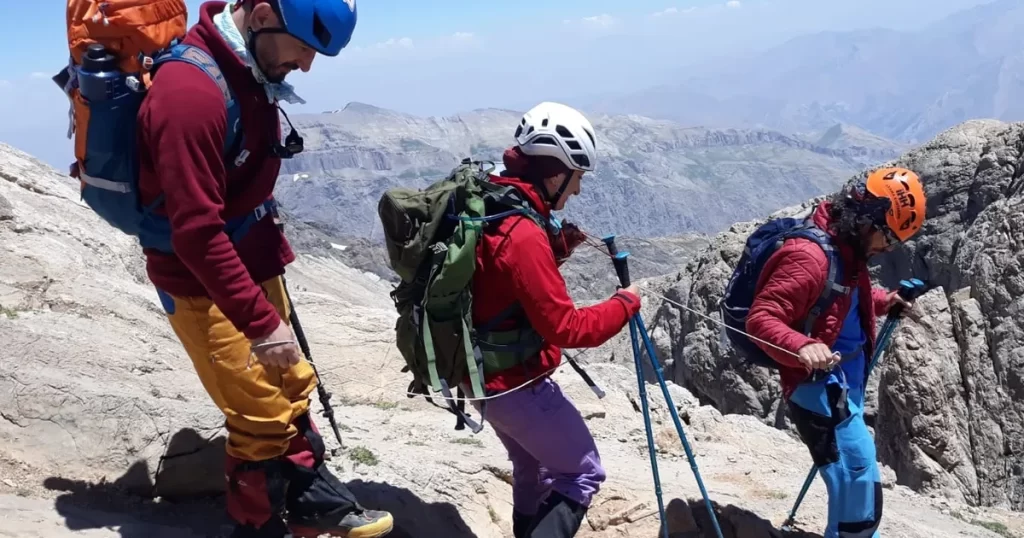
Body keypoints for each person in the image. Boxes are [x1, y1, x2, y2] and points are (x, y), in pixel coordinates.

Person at [135, 1, 393, 537]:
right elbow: (196, 233)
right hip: (200, 284)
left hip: (250, 260)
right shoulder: (190, 92)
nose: (305, 65)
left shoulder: (245, 69)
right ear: (258, 16)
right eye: (302, 47)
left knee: (291, 381)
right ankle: (256, 525)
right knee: (259, 413)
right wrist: (261, 321)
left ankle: (308, 503)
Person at [467, 101, 643, 538]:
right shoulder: (523, 232)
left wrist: (558, 248)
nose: (578, 190)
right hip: (516, 386)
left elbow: (500, 283)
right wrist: (626, 303)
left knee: (534, 470)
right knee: (581, 475)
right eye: (577, 177)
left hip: (476, 376)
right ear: (554, 173)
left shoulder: (494, 198)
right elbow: (568, 329)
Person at [745, 167, 927, 538]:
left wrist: (881, 301)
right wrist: (802, 345)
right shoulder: (810, 256)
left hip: (843, 387)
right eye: (888, 236)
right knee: (856, 489)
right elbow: (760, 319)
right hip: (818, 388)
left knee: (856, 491)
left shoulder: (845, 246)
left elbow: (842, 296)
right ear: (868, 219)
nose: (888, 248)